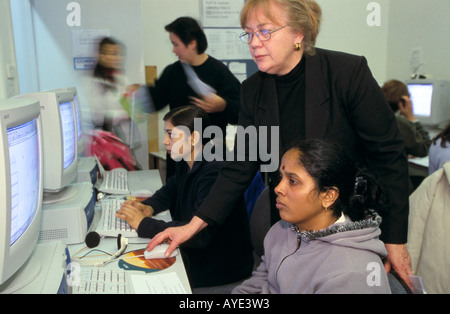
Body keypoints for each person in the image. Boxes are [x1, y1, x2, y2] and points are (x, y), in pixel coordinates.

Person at [148, 0, 413, 289]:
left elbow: (388, 157)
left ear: (298, 34)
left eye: (265, 32)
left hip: (344, 225)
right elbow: (239, 168)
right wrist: (193, 225)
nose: (254, 43)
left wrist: (395, 238)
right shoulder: (253, 90)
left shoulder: (347, 73)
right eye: (248, 33)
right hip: (289, 228)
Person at [116, 105, 253, 288]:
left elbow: (198, 234)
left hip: (218, 267)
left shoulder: (215, 171)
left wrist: (143, 224)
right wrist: (149, 206)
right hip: (202, 254)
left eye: (171, 134)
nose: (165, 141)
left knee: (138, 280)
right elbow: (171, 190)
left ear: (194, 138)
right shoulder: (187, 159)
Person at [232, 139, 391, 294]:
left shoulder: (351, 273)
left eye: (293, 181)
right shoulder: (282, 229)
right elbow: (260, 281)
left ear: (328, 196)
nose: (278, 188)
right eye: (281, 177)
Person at [145, 17, 241, 179]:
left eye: (176, 44)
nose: (173, 50)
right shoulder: (173, 72)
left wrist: (224, 105)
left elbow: (242, 110)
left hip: (211, 155)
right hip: (179, 155)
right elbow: (154, 100)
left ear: (192, 43)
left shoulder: (219, 72)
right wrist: (134, 96)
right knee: (177, 197)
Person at [85, 37, 141, 169]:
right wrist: (125, 114)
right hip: (106, 143)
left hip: (124, 141)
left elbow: (126, 104)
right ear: (99, 55)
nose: (113, 57)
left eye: (116, 54)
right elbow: (97, 115)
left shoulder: (120, 77)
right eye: (107, 53)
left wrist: (135, 101)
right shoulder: (92, 82)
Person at [381, 79, 432, 192]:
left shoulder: (377, 117)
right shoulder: (399, 122)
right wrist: (412, 118)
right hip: (396, 185)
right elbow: (424, 149)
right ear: (402, 101)